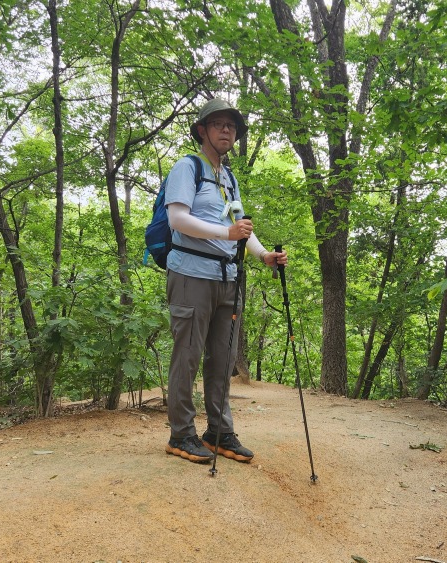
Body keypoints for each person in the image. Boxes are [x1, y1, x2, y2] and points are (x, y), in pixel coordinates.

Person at [164, 98, 287, 464]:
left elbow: (241, 229)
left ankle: (218, 431)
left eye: (231, 127)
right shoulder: (187, 169)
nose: (225, 131)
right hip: (190, 274)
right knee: (187, 356)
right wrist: (228, 233)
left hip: (228, 279)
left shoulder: (228, 178)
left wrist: (264, 255)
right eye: (218, 124)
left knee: (223, 359)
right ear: (202, 130)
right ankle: (181, 434)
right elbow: (178, 220)